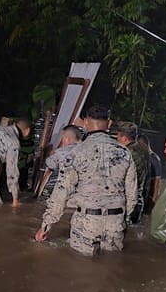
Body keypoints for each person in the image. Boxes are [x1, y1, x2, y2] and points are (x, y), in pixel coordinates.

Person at [34, 105, 137, 256]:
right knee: (111, 270)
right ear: (109, 124)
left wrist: (45, 226)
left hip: (86, 224)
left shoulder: (76, 153)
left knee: (80, 270)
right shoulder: (125, 152)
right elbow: (132, 196)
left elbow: (60, 194)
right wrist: (123, 220)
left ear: (86, 123)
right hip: (115, 224)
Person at [115, 121, 150, 224]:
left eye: (118, 137)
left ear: (124, 138)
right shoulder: (142, 149)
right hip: (138, 201)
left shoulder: (128, 154)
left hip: (129, 203)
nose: (116, 140)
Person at [40, 125, 82, 199]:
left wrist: (50, 154)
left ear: (67, 139)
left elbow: (50, 164)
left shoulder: (60, 152)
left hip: (64, 190)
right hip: (81, 191)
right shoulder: (86, 150)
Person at [137, 134, 162, 213]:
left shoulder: (154, 159)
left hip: (148, 198)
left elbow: (157, 183)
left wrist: (153, 201)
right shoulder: (141, 157)